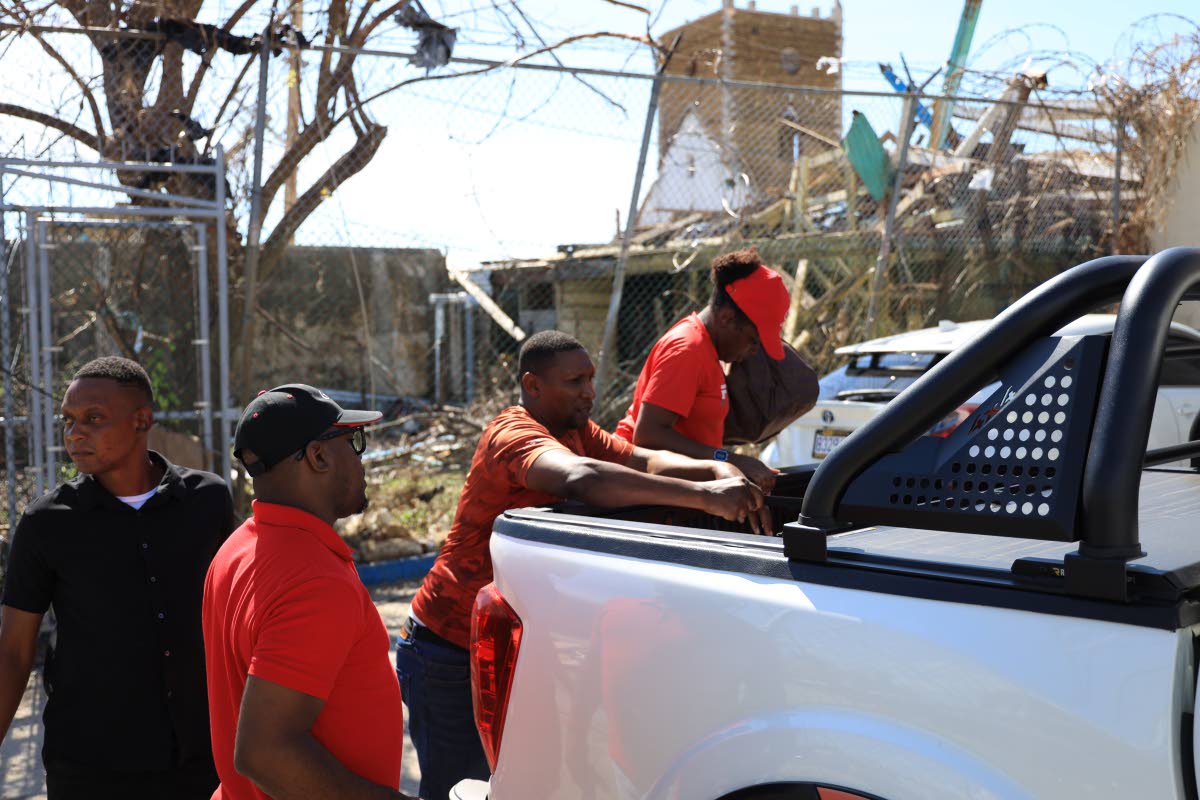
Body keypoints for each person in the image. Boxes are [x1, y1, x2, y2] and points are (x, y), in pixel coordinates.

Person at [399, 330, 769, 800]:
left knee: (524, 784)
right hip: (448, 650)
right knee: (458, 787)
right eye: (574, 381)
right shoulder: (512, 434)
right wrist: (704, 497)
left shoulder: (574, 431)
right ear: (533, 386)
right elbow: (583, 478)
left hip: (512, 642)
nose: (589, 392)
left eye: (591, 378)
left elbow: (645, 461)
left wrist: (721, 464)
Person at [0, 356, 234, 799]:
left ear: (142, 420)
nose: (74, 433)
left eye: (93, 419)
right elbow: (13, 652)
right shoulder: (47, 522)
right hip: (90, 768)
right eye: (67, 420)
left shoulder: (208, 501)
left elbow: (236, 620)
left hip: (200, 759)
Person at [203, 384, 417, 800]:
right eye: (353, 442)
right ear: (318, 456)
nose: (360, 457)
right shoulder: (314, 581)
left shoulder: (237, 548)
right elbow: (264, 753)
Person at [615, 247, 791, 493]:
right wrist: (729, 459)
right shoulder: (687, 349)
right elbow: (648, 435)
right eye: (754, 340)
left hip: (678, 487)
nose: (755, 351)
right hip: (643, 490)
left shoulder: (710, 349)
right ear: (727, 318)